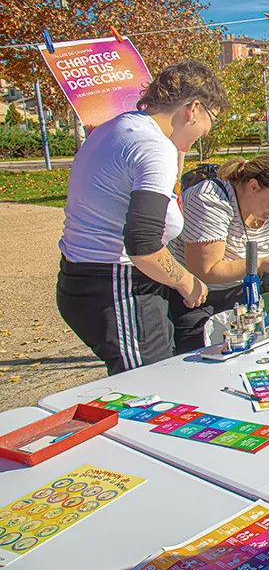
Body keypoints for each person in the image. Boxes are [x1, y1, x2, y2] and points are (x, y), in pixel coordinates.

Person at [56, 61, 223, 374]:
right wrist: (188, 282)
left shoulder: (120, 127)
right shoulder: (152, 147)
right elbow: (143, 246)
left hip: (86, 277)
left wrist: (178, 148)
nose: (206, 132)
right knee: (151, 389)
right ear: (193, 109)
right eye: (210, 121)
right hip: (117, 285)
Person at [169, 153, 269, 354]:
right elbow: (206, 270)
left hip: (238, 299)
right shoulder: (209, 200)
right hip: (195, 300)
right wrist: (262, 264)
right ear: (253, 186)